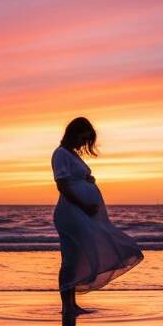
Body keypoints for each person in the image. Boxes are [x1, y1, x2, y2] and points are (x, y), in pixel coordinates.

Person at [51, 117, 143, 315]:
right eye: (83, 139)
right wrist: (84, 205)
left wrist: (87, 180)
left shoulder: (71, 154)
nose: (84, 144)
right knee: (69, 259)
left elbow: (73, 178)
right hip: (72, 212)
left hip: (82, 213)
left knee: (76, 258)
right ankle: (67, 306)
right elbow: (63, 186)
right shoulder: (60, 154)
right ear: (73, 133)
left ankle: (72, 305)